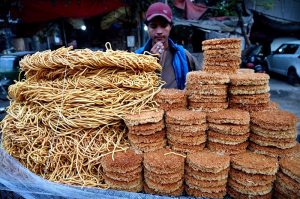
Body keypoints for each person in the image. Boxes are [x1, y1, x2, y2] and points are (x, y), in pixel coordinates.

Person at [135, 2, 199, 89]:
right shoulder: (137, 57)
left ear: (170, 27)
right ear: (148, 28)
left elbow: (202, 77)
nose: (159, 31)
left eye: (164, 25)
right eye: (153, 26)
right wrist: (149, 63)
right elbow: (133, 89)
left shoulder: (182, 55)